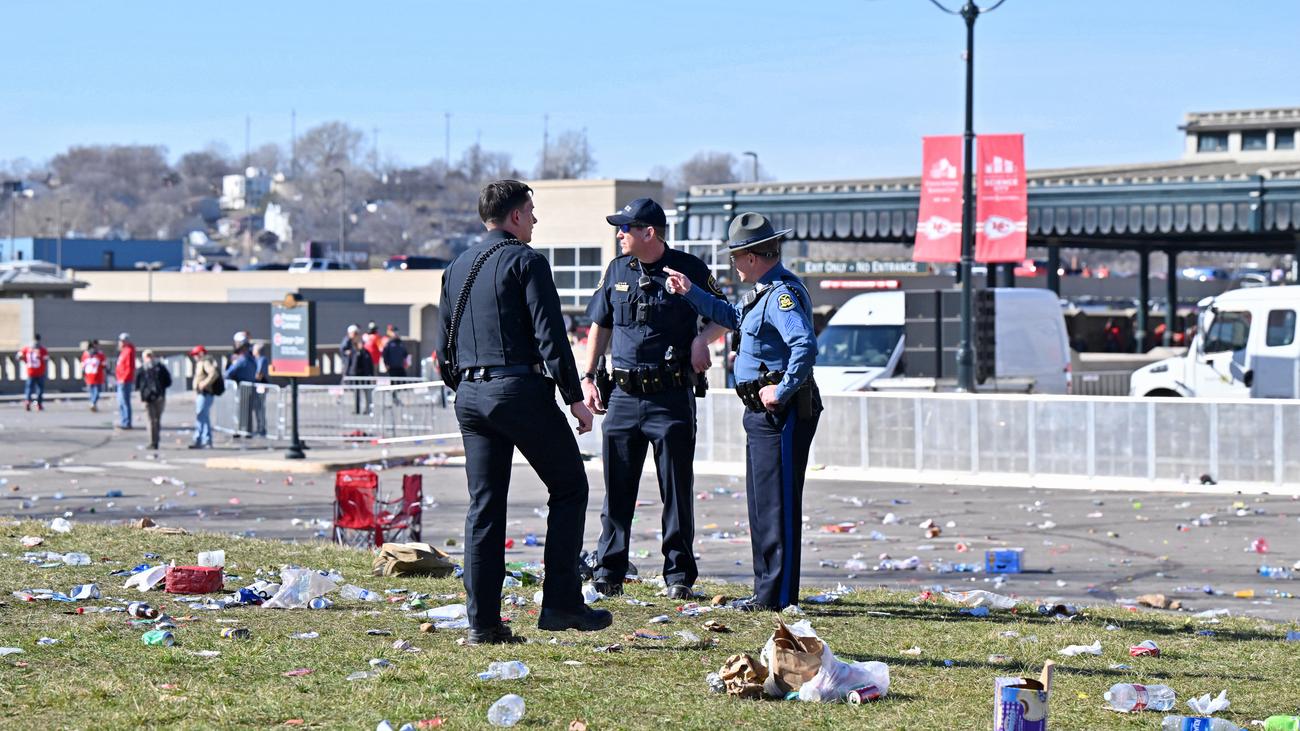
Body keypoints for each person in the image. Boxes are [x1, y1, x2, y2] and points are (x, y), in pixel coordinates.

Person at [435, 179, 609, 644]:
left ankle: (482, 624)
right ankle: (561, 604)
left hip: (471, 396)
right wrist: (575, 396)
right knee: (570, 487)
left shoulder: (456, 268)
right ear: (514, 216)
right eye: (531, 211)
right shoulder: (527, 261)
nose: (535, 218)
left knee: (484, 508)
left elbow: (442, 352)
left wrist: (468, 388)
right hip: (519, 390)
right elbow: (551, 335)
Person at [664, 212, 822, 612]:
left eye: (736, 255)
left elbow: (804, 346)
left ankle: (777, 595)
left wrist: (782, 389)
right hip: (760, 412)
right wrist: (690, 293)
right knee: (761, 502)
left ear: (752, 256)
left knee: (777, 504)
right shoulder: (762, 293)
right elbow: (734, 317)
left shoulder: (781, 294)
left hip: (779, 413)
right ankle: (766, 589)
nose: (733, 263)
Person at [581, 197, 724, 600]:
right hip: (624, 396)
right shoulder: (616, 270)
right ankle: (610, 569)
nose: (619, 233)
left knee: (676, 490)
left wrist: (701, 339)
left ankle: (678, 575)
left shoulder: (689, 268)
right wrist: (589, 376)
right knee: (617, 489)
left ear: (649, 232)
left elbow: (723, 314)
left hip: (671, 396)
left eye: (625, 227)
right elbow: (600, 325)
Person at [134, 349, 172, 450]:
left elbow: (168, 381)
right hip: (147, 399)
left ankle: (155, 440)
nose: (149, 358)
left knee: (157, 420)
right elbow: (137, 384)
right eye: (147, 356)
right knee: (151, 420)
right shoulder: (142, 370)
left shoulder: (160, 368)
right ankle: (153, 442)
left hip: (159, 398)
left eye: (150, 356)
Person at [189, 345, 222, 448]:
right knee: (202, 417)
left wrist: (204, 383)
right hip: (202, 394)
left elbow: (213, 373)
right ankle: (201, 439)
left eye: (195, 354)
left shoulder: (205, 362)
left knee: (202, 416)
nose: (194, 357)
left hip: (205, 393)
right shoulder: (201, 363)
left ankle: (204, 439)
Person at [224, 340, 258, 437]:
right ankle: (247, 431)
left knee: (240, 410)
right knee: (248, 411)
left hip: (242, 388)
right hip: (251, 387)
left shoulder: (242, 360)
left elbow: (228, 373)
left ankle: (240, 430)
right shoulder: (252, 359)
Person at [342, 325, 375, 414]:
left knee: (366, 392)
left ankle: (368, 409)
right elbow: (349, 363)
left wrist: (372, 375)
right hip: (355, 374)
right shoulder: (352, 350)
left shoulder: (365, 352)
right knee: (356, 393)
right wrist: (347, 374)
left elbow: (369, 364)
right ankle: (357, 409)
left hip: (364, 374)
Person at [18, 335, 49, 411]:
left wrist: (25, 360)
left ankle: (28, 402)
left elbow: (18, 357)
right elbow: (46, 359)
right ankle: (38, 404)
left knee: (29, 388)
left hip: (30, 371)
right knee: (39, 389)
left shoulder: (27, 349)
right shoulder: (42, 349)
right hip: (40, 371)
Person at [114, 333, 137, 429]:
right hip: (120, 379)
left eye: (123, 341)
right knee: (120, 402)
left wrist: (124, 378)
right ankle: (124, 420)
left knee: (124, 401)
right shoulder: (123, 351)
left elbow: (129, 367)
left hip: (125, 380)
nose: (121, 342)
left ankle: (127, 422)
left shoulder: (129, 351)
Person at [81, 340, 107, 412]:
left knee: (92, 391)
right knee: (97, 391)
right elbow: (104, 364)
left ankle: (93, 403)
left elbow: (83, 365)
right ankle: (93, 403)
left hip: (89, 375)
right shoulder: (99, 354)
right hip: (97, 375)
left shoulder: (85, 354)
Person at [251, 342, 270, 437]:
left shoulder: (262, 360)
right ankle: (259, 428)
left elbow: (259, 374)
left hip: (261, 385)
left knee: (260, 408)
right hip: (258, 385)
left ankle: (262, 429)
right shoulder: (256, 359)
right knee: (257, 408)